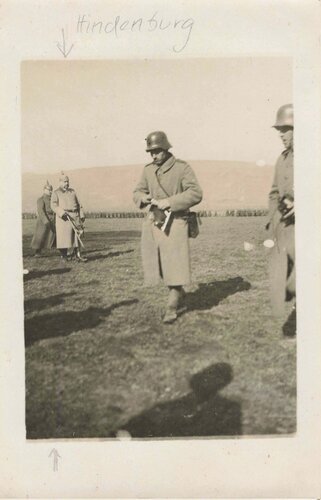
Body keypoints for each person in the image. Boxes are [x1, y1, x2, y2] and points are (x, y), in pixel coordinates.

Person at [133, 131, 202, 323]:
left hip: (177, 222)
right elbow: (137, 191)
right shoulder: (147, 170)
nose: (153, 155)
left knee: (175, 264)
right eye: (150, 152)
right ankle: (178, 292)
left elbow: (196, 193)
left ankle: (171, 306)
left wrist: (170, 202)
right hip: (155, 222)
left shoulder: (182, 168)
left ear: (165, 149)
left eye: (156, 151)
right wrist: (142, 197)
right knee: (163, 265)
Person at [266, 104, 295, 325]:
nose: (281, 135)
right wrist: (273, 218)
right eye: (279, 130)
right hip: (285, 228)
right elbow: (274, 192)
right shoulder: (282, 158)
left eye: (285, 129)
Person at [51, 173, 87, 262]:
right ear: (60, 182)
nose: (66, 184)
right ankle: (64, 256)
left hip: (75, 217)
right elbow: (53, 205)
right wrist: (61, 212)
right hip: (64, 218)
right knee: (64, 238)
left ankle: (78, 255)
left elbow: (79, 204)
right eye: (64, 182)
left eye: (67, 182)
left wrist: (81, 215)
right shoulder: (56, 193)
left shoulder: (73, 192)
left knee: (77, 236)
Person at [31, 181, 56, 257]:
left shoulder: (53, 199)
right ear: (44, 190)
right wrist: (46, 221)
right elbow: (41, 211)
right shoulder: (41, 199)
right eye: (49, 190)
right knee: (40, 237)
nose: (50, 191)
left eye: (51, 189)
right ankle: (37, 252)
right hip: (43, 221)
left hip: (52, 220)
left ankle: (63, 251)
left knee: (54, 236)